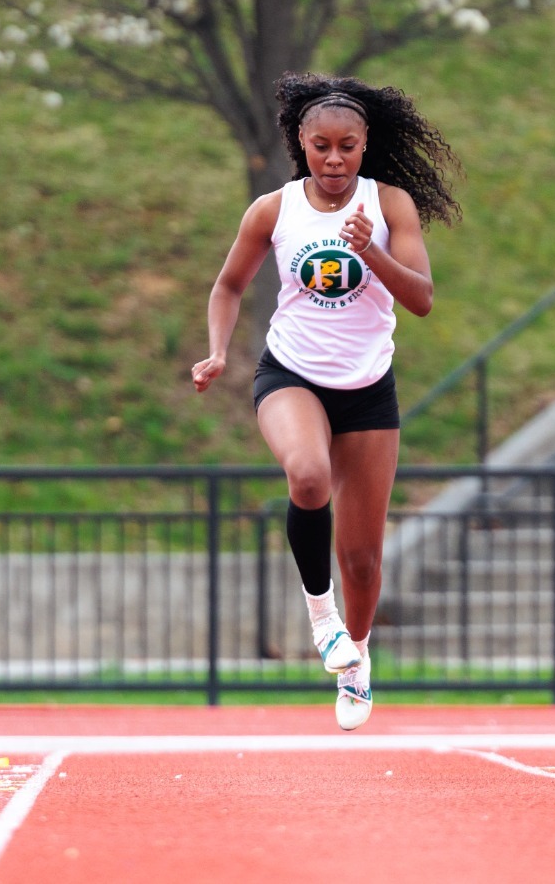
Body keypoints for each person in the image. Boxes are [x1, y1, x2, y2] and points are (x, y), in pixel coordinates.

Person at [191, 73, 461, 730]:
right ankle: (324, 621)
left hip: (368, 389)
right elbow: (228, 286)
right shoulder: (273, 210)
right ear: (301, 145)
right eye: (321, 147)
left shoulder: (390, 204)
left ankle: (358, 660)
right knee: (307, 476)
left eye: (346, 147)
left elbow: (422, 298)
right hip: (292, 374)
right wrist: (220, 351)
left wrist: (373, 250)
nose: (334, 160)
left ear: (365, 146)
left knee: (364, 560)